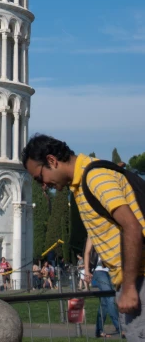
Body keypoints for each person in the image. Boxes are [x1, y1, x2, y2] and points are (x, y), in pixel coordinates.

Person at [22, 134, 145, 342]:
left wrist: (130, 286)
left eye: (39, 178)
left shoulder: (95, 177)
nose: (42, 186)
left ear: (52, 161)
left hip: (139, 280)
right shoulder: (81, 184)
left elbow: (132, 226)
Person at [84, 237, 121, 339]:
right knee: (109, 298)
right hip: (99, 270)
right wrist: (87, 271)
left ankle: (99, 330)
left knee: (104, 303)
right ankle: (120, 327)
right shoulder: (93, 230)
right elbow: (87, 252)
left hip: (113, 270)